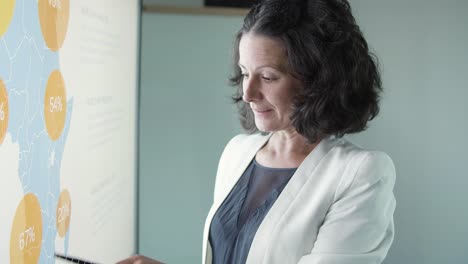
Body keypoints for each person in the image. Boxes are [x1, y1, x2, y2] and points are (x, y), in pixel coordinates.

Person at [118, 0, 396, 263]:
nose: (248, 93)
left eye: (267, 77)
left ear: (319, 80)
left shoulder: (361, 174)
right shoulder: (237, 152)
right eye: (244, 73)